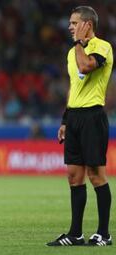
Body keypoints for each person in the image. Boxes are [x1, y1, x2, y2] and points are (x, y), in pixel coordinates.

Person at [47, 6, 113, 246]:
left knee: (96, 175)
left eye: (75, 23)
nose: (70, 27)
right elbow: (75, 86)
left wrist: (79, 44)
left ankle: (104, 234)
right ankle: (75, 234)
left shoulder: (103, 46)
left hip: (93, 117)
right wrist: (65, 120)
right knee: (74, 177)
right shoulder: (71, 53)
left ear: (88, 24)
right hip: (74, 118)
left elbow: (86, 67)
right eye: (71, 23)